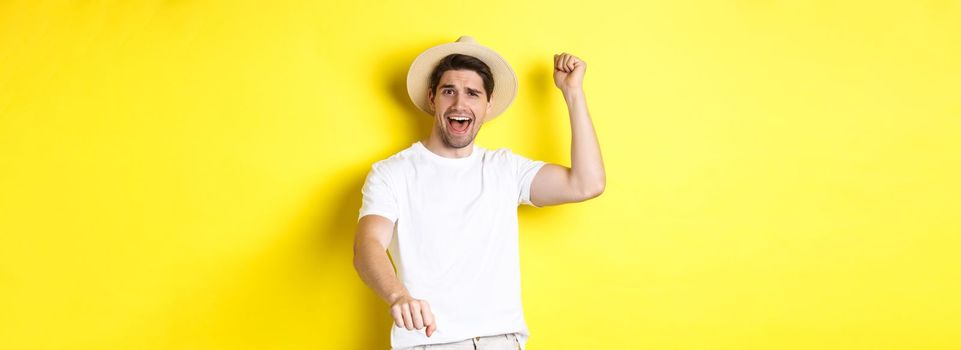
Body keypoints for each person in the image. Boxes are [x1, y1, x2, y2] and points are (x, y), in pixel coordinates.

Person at [353, 36, 605, 350]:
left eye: (472, 93)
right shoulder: (392, 173)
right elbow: (368, 245)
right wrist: (398, 295)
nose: (460, 104)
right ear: (432, 99)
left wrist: (572, 92)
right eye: (449, 92)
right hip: (430, 343)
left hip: (501, 341)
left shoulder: (506, 169)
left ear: (487, 105)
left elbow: (587, 183)